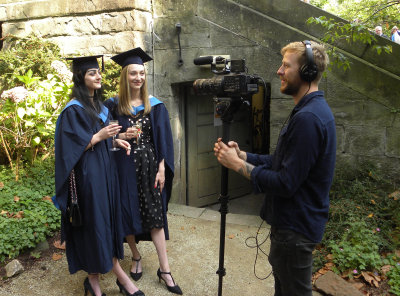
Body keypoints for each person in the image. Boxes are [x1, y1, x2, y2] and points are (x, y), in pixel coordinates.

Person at [213, 41, 336, 296]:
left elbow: (286, 183)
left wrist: (237, 165)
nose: (279, 71)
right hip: (292, 227)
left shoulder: (308, 118)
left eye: (286, 66)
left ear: (307, 72)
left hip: (295, 229)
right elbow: (283, 161)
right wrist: (244, 155)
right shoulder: (307, 111)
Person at [54, 55, 145, 296]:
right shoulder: (73, 109)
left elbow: (102, 140)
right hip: (88, 179)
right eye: (91, 73)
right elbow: (68, 149)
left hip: (106, 175)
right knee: (95, 225)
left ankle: (94, 281)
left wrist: (117, 140)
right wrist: (99, 136)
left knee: (104, 223)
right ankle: (116, 281)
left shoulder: (101, 107)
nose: (98, 76)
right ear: (81, 78)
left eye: (98, 72)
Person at [104, 47, 182, 295]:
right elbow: (104, 137)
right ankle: (135, 256)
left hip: (149, 167)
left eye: (142, 73)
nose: (138, 78)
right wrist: (118, 138)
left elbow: (164, 141)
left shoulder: (155, 105)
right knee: (126, 214)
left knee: (155, 217)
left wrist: (162, 169)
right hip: (123, 168)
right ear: (125, 76)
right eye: (133, 73)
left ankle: (165, 269)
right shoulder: (113, 105)